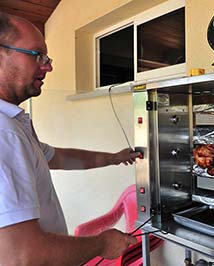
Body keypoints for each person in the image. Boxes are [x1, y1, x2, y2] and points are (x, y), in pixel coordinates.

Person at [0, 12, 139, 265]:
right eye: (37, 55)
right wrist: (103, 243)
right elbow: (21, 255)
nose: (48, 66)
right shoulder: (4, 133)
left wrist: (116, 158)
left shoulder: (14, 124)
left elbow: (59, 157)